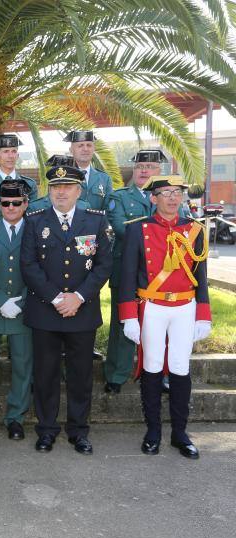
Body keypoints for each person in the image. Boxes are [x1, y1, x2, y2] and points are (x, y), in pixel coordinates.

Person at [20, 165, 112, 455]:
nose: (61, 192)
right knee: (45, 374)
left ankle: (78, 431)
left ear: (78, 191)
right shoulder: (35, 220)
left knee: (80, 375)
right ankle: (46, 430)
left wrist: (79, 297)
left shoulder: (95, 221)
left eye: (68, 186)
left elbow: (103, 266)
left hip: (82, 312)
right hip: (46, 311)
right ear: (49, 191)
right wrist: (58, 298)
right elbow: (29, 265)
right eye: (56, 187)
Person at [118, 175, 212, 459]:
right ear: (153, 198)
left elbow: (201, 277)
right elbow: (126, 275)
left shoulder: (194, 230)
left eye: (176, 192)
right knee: (153, 366)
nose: (172, 198)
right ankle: (153, 431)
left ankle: (180, 433)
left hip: (184, 307)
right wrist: (128, 316)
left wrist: (203, 315)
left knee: (181, 367)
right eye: (165, 192)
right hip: (152, 306)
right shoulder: (138, 229)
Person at [104, 149, 167, 394]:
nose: (143, 170)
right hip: (126, 270)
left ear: (158, 171)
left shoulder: (169, 195)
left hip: (161, 275)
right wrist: (157, 234)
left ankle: (157, 373)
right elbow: (121, 229)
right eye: (140, 165)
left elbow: (180, 226)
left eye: (150, 167)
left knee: (158, 326)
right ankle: (116, 375)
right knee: (122, 325)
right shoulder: (119, 197)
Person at [0, 178, 33, 440]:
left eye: (16, 202)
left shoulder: (36, 230)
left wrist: (20, 301)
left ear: (25, 204)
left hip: (24, 310)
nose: (10, 207)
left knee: (23, 366)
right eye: (5, 203)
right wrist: (0, 299)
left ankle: (15, 417)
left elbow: (41, 270)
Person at [65, 131, 113, 211]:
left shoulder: (104, 179)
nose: (85, 149)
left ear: (94, 149)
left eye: (89, 145)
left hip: (97, 223)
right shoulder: (63, 176)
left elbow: (109, 211)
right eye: (80, 146)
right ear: (71, 150)